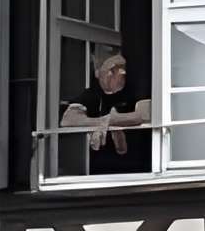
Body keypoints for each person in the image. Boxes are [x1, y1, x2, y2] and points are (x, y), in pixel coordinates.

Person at [60, 47, 152, 175]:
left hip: (135, 168)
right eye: (109, 70)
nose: (112, 74)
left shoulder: (132, 94)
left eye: (118, 70)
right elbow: (68, 120)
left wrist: (110, 120)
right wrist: (103, 121)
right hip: (98, 168)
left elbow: (142, 115)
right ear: (99, 73)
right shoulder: (92, 94)